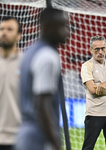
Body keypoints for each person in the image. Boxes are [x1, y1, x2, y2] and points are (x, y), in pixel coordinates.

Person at [14, 8, 69, 150]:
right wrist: (56, 144)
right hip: (39, 137)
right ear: (48, 27)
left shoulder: (29, 50)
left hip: (24, 133)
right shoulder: (47, 56)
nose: (67, 32)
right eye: (62, 26)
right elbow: (42, 104)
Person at [0, 16, 22, 150]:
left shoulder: (26, 63)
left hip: (19, 137)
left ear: (19, 36)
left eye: (10, 29)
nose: (4, 32)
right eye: (1, 29)